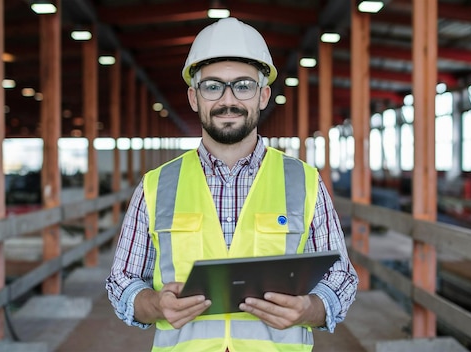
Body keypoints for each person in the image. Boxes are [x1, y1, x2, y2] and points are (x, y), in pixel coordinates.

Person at [106, 17, 358, 352]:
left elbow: (341, 278)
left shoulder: (304, 181)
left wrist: (309, 309)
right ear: (194, 97)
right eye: (212, 86)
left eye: (243, 85)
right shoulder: (156, 185)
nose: (228, 100)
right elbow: (122, 281)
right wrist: (155, 304)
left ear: (263, 95)